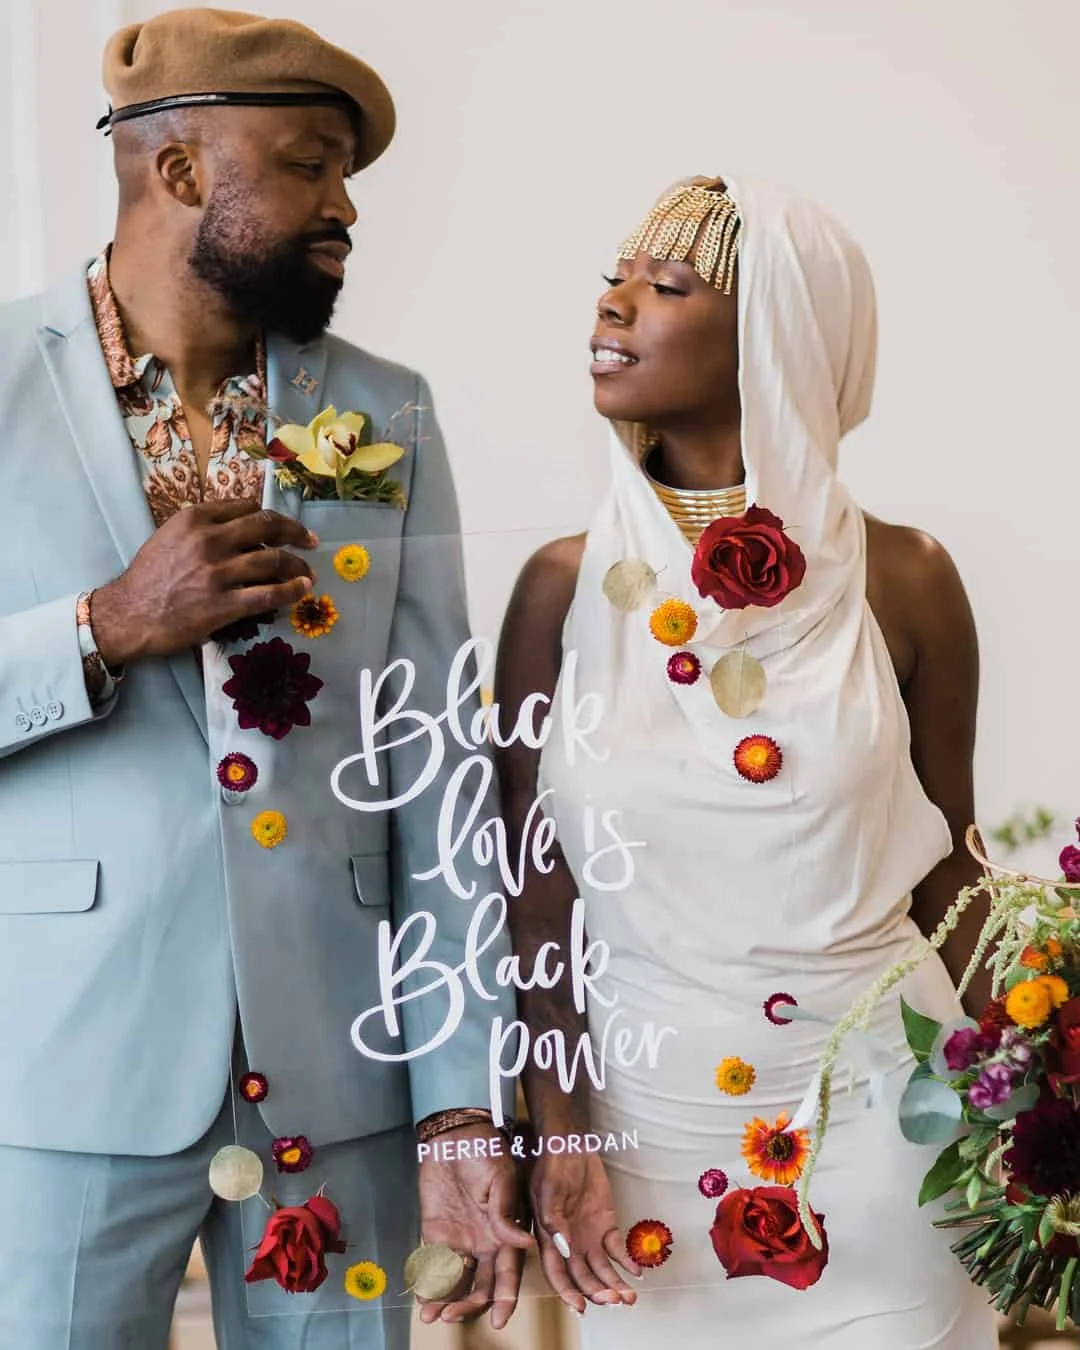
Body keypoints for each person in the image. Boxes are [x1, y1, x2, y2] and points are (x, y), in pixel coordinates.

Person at [0, 9, 529, 1347]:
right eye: (307, 163)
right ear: (178, 173)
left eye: (347, 173)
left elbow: (441, 765)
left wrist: (460, 1095)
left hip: (343, 1072)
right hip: (61, 1072)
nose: (344, 204)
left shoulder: (387, 408)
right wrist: (104, 625)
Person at [495, 176, 998, 1346]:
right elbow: (533, 894)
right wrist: (560, 1133)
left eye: (666, 286)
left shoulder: (908, 578)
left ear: (777, 337)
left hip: (888, 1131)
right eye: (612, 281)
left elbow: (951, 870)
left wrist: (1039, 1080)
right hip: (641, 1157)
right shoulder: (560, 591)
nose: (614, 307)